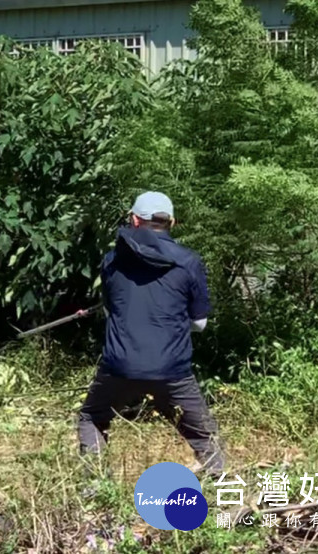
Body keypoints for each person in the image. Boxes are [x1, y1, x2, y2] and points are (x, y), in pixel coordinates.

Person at [77, 191, 225, 479]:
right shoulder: (188, 261)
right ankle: (221, 492)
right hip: (172, 368)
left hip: (119, 366)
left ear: (134, 220)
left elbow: (111, 311)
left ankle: (95, 488)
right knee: (206, 437)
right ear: (172, 222)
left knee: (92, 418)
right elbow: (200, 323)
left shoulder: (111, 261)